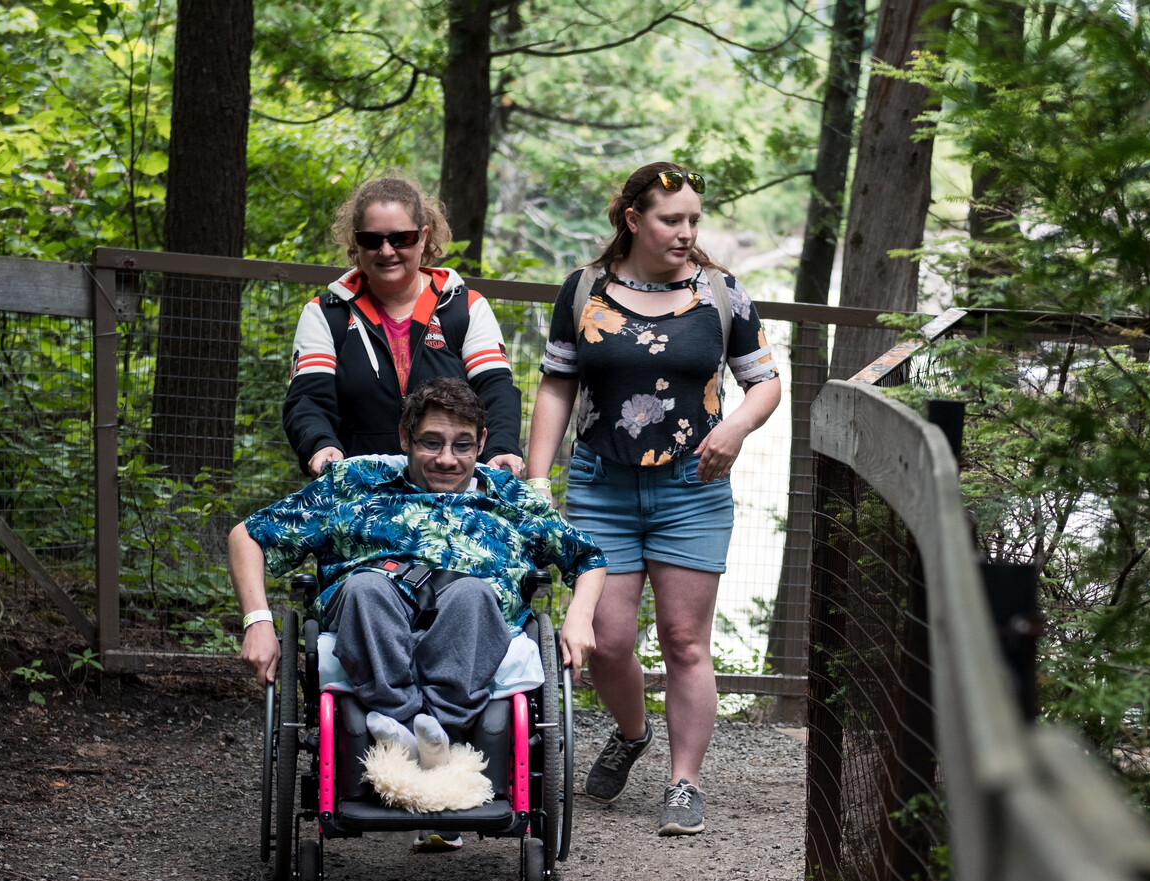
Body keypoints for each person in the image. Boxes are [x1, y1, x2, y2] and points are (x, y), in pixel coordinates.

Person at [523, 162, 782, 837]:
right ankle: (634, 732)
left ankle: (684, 782)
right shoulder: (583, 289)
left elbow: (765, 383)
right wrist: (535, 477)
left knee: (685, 641)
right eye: (672, 220)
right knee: (607, 641)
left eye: (695, 220)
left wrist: (735, 425)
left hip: (691, 489)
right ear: (633, 220)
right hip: (601, 485)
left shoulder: (722, 292)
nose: (687, 232)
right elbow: (556, 384)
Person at [232, 377, 604, 793]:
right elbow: (247, 536)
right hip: (372, 607)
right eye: (431, 443)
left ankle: (436, 731)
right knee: (365, 590)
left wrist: (581, 617)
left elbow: (588, 556)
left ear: (482, 442)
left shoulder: (510, 497)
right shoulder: (352, 484)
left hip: (471, 616)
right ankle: (403, 722)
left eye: (462, 445)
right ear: (405, 437)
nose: (447, 459)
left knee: (472, 594)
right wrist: (258, 621)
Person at [283, 175, 525, 478]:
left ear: (423, 237)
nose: (386, 251)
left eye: (402, 238)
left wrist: (500, 447)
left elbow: (495, 389)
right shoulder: (324, 314)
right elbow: (308, 400)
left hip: (450, 489)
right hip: (358, 488)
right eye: (372, 240)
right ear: (355, 242)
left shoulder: (465, 308)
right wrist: (320, 445)